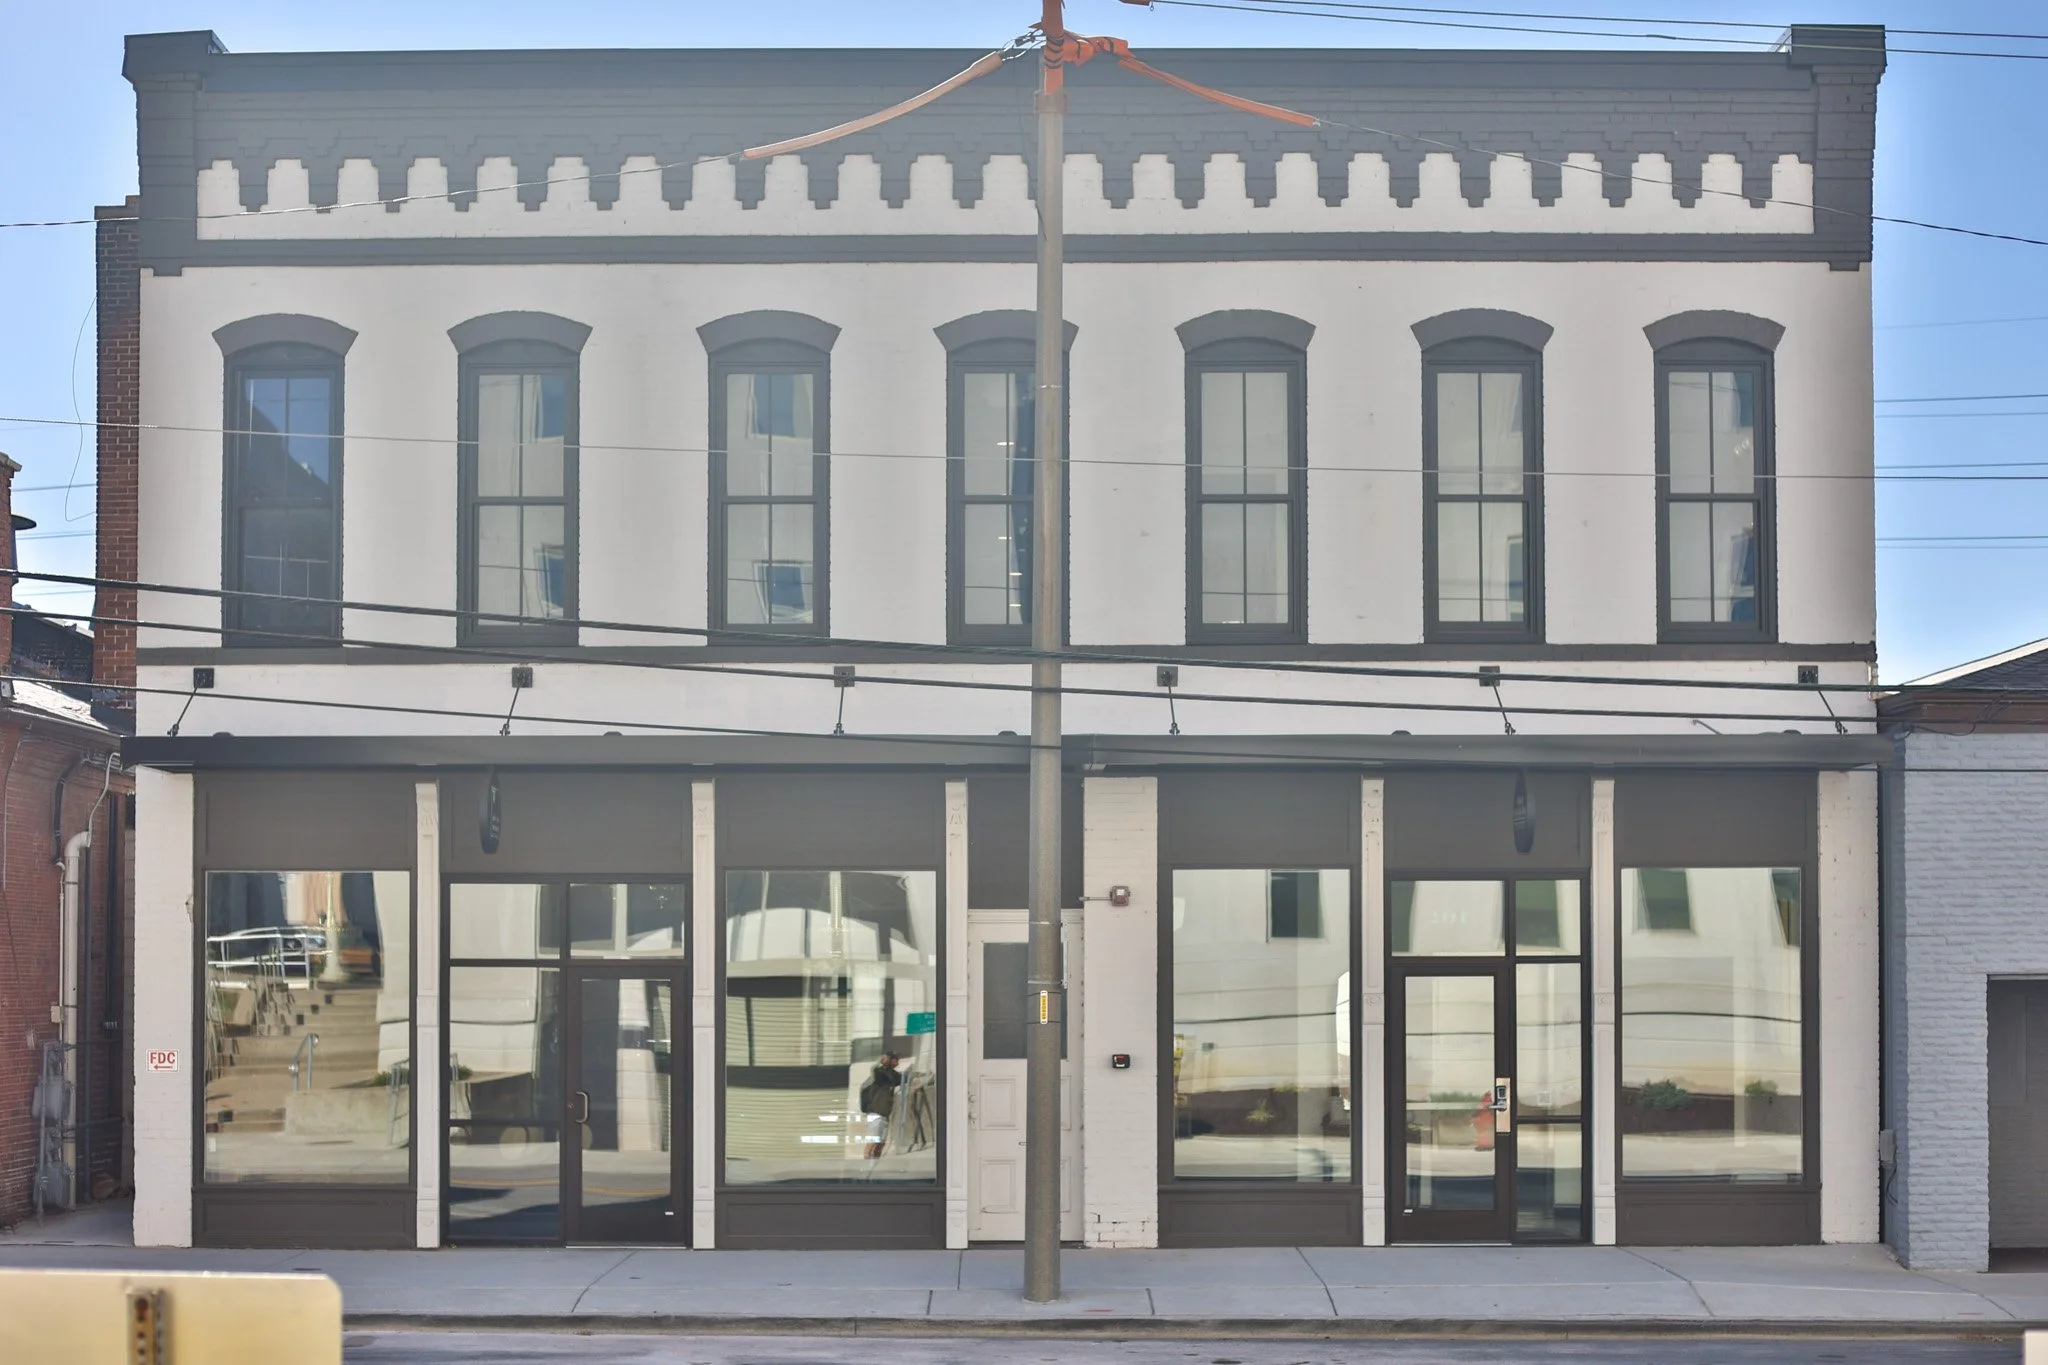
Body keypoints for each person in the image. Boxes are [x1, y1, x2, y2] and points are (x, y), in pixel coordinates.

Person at [860, 1051, 904, 1160]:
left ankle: (875, 1163)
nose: (897, 1064)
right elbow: (878, 1072)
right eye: (895, 1060)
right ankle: (866, 1163)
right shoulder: (879, 1073)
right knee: (873, 1141)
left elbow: (903, 1078)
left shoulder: (892, 1074)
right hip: (876, 1113)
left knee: (881, 1143)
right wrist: (882, 1061)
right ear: (889, 1060)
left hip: (885, 1114)